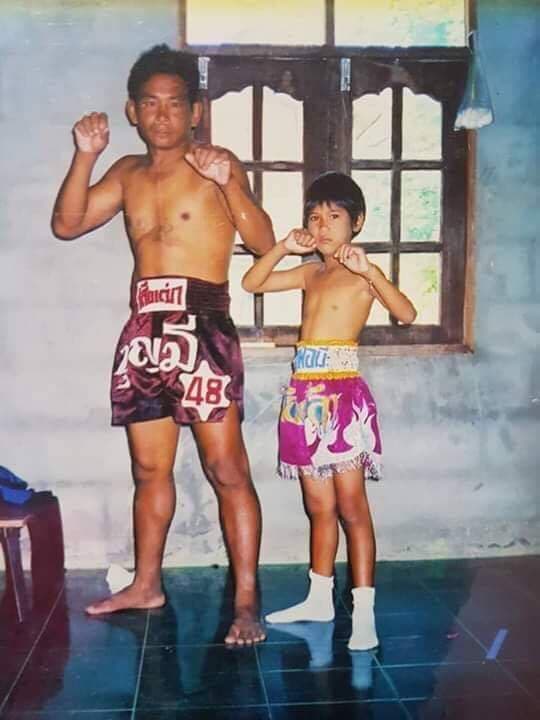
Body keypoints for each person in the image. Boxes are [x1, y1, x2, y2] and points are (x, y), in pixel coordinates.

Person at [51, 44, 275, 646]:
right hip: (145, 330)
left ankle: (247, 600)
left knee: (226, 467)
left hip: (202, 325)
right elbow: (67, 223)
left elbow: (262, 240)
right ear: (132, 110)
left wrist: (230, 185)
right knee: (149, 468)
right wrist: (84, 155)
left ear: (195, 111)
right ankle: (147, 583)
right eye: (149, 103)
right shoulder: (126, 172)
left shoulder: (215, 163)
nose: (162, 114)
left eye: (175, 103)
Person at [242, 172, 416, 650]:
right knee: (318, 506)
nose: (322, 226)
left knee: (352, 508)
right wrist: (283, 247)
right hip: (304, 397)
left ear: (355, 222)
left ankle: (364, 613)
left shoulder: (362, 273)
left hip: (343, 398)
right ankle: (319, 597)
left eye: (334, 217)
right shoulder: (309, 272)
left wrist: (372, 272)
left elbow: (406, 314)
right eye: (314, 218)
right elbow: (252, 281)